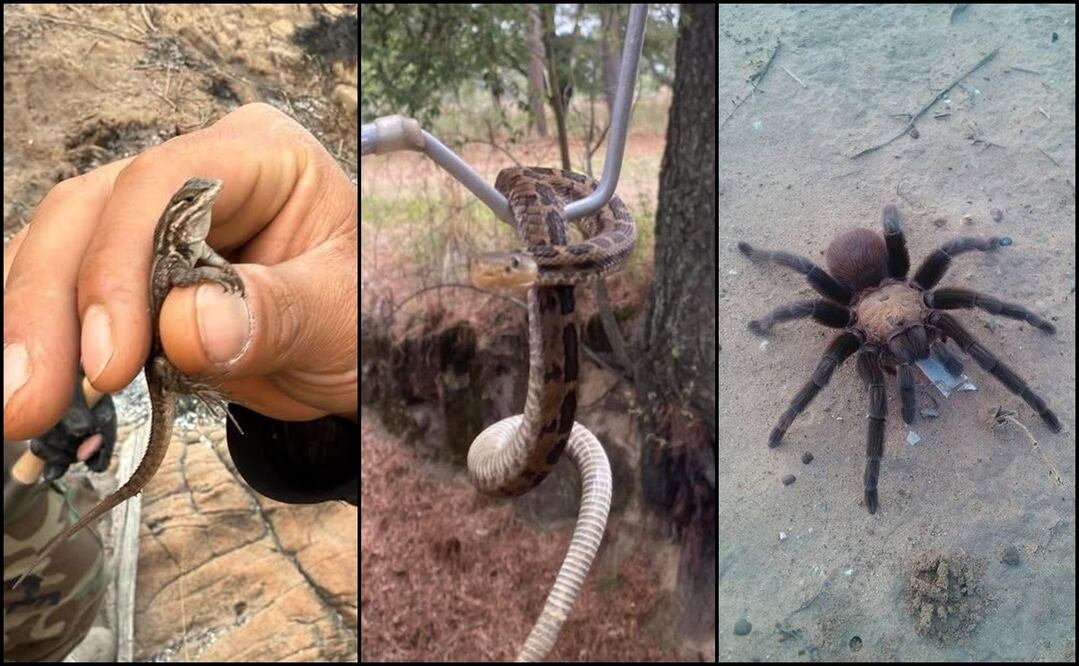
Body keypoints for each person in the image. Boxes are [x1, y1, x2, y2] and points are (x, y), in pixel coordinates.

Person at [3, 103, 358, 661]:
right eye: (196, 200)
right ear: (182, 218)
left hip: (180, 360)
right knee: (181, 370)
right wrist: (225, 279)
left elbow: (205, 267)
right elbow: (199, 273)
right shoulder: (175, 254)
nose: (209, 198)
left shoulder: (183, 247)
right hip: (168, 367)